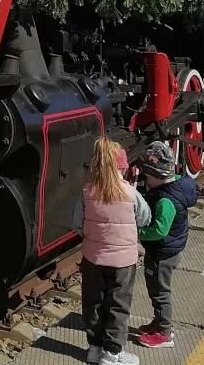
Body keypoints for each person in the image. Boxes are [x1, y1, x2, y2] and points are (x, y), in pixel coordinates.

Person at [72, 138, 151, 365]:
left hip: (93, 259)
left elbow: (77, 223)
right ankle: (113, 353)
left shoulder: (87, 192)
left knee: (93, 303)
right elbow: (145, 218)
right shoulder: (129, 193)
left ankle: (94, 349)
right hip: (123, 263)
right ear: (123, 167)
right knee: (118, 306)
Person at [136, 141, 199, 350]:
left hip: (163, 252)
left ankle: (165, 332)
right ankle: (159, 322)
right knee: (157, 289)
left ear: (155, 176)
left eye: (146, 176)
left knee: (160, 291)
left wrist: (139, 233)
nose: (145, 180)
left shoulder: (165, 200)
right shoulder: (179, 185)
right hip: (168, 249)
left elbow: (160, 230)